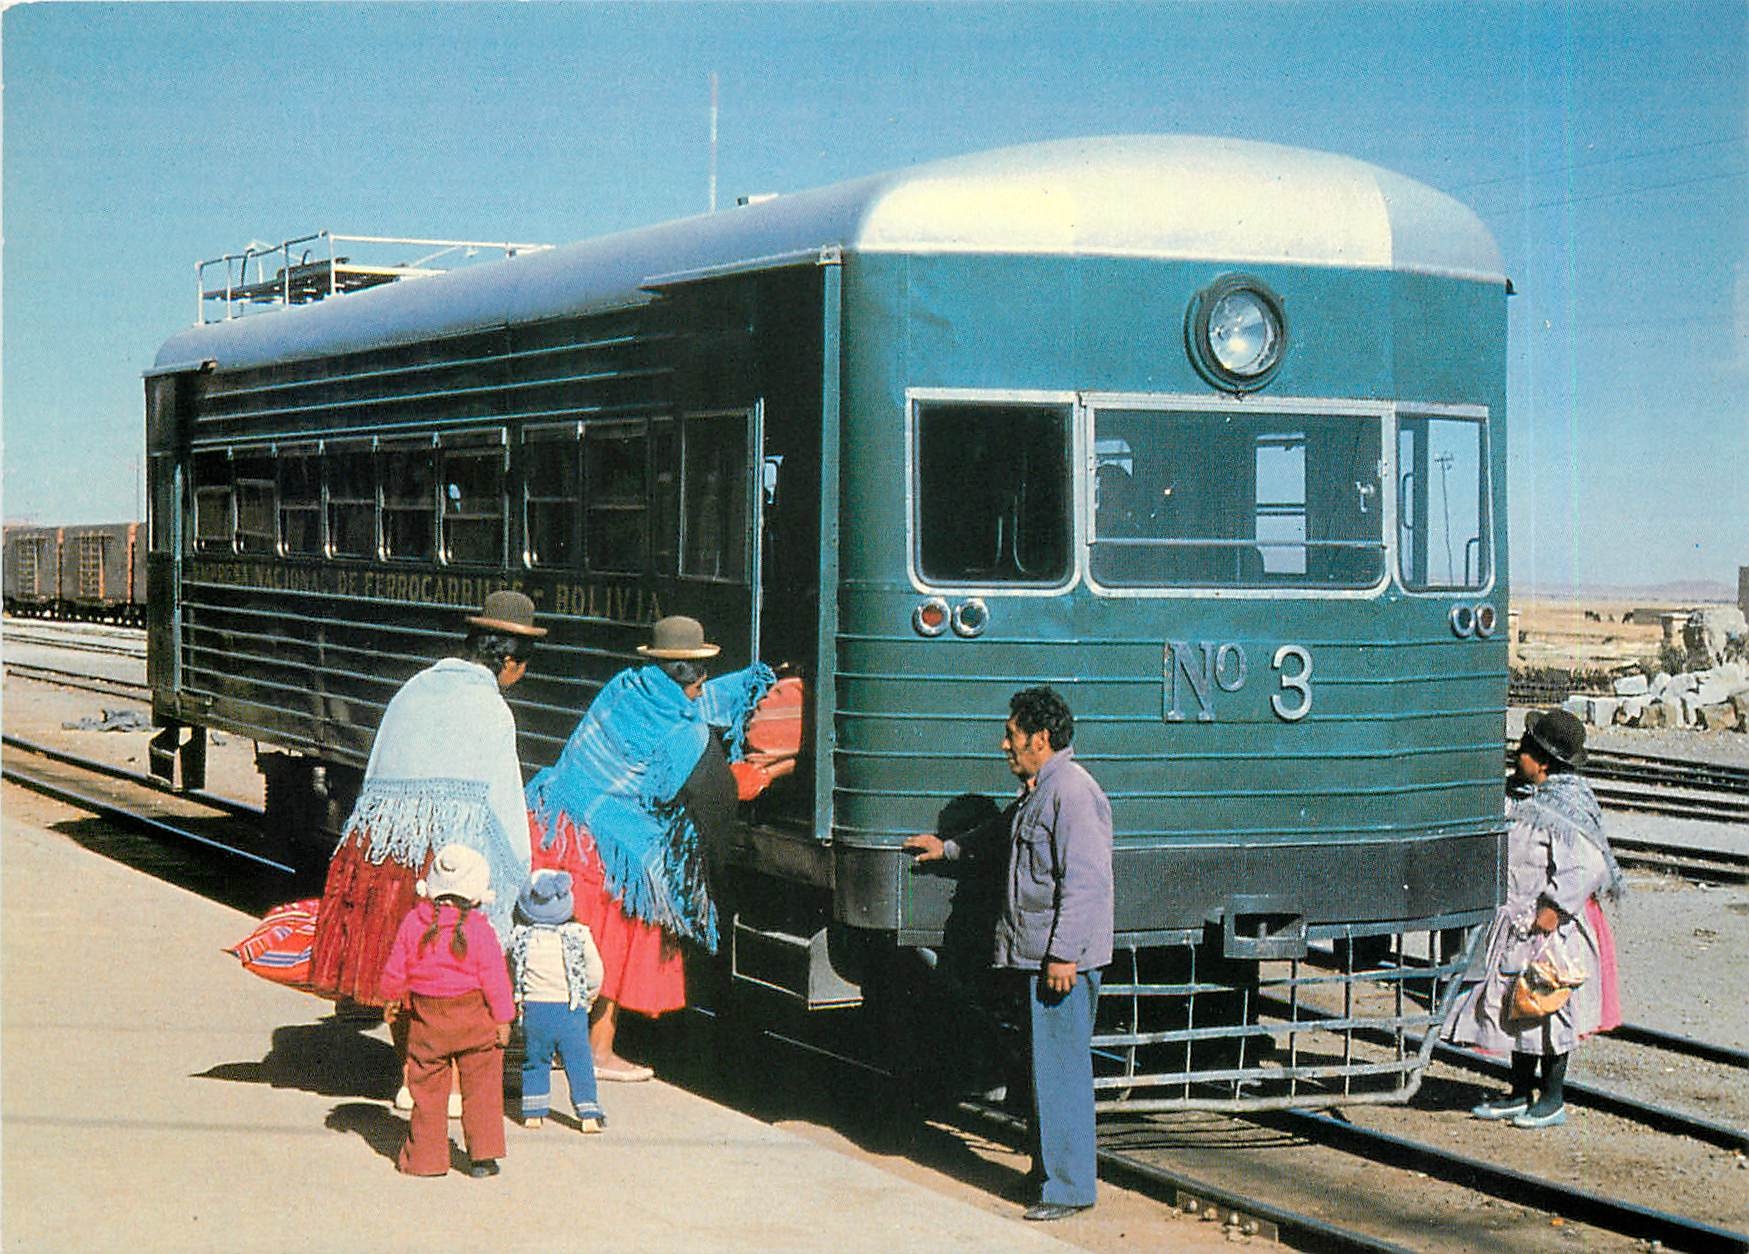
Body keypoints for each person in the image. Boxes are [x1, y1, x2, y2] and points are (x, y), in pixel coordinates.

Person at [524, 615, 782, 1081]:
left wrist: (750, 685)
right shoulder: (684, 732)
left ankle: (552, 1043)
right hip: (613, 846)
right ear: (691, 676)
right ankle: (598, 1052)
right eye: (701, 678)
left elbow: (690, 707)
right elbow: (711, 792)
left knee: (559, 949)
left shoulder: (626, 687)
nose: (704, 691)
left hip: (558, 824)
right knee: (619, 939)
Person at [905, 686, 1114, 1222]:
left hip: (1061, 962)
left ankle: (1068, 1189)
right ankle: (1050, 1177)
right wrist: (947, 848)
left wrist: (1064, 955)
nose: (1004, 745)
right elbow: (1001, 837)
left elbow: (1086, 883)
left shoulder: (1071, 793)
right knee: (1043, 1071)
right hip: (1038, 956)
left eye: (1013, 735)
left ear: (1040, 740)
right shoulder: (1039, 791)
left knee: (1060, 1073)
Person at [308, 589, 544, 1009]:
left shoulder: (415, 687)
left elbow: (376, 770)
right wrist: (519, 874)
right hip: (440, 867)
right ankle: (432, 1074)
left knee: (394, 974)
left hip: (381, 854)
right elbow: (500, 806)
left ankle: (409, 1071)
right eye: (522, 667)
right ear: (508, 663)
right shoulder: (491, 709)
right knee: (440, 977)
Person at [1444, 708, 1625, 1129]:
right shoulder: (1520, 795)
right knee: (1516, 1007)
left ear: (1544, 761)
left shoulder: (1565, 807)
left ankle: (1554, 1097)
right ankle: (1520, 1091)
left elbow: (1588, 866)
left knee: (1548, 1008)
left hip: (1551, 929)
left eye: (1525, 749)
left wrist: (1554, 908)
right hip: (1515, 924)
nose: (1517, 754)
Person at [378, 844, 516, 1178]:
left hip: (429, 1022)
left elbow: (396, 968)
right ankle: (483, 1157)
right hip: (474, 1021)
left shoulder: (414, 922)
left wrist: (392, 996)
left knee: (427, 1091)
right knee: (482, 1088)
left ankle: (425, 1160)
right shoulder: (480, 930)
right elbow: (495, 978)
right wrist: (503, 1018)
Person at [508, 869, 607, 1132]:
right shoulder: (579, 934)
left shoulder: (520, 938)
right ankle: (588, 1113)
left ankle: (533, 1111)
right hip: (570, 1009)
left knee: (535, 1060)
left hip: (535, 1010)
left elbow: (511, 970)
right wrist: (589, 996)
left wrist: (516, 995)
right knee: (579, 1061)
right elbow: (595, 971)